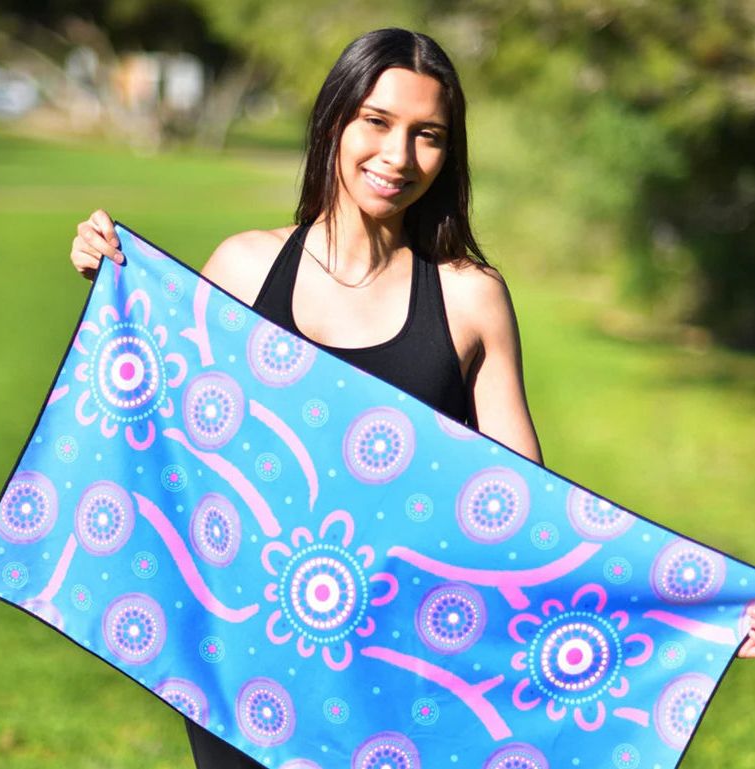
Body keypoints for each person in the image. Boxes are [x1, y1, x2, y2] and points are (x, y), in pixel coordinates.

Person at [68, 26, 754, 769]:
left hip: (403, 665)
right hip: (249, 667)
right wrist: (111, 285)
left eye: (427, 135)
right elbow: (162, 438)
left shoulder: (468, 299)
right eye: (377, 122)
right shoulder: (242, 268)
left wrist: (704, 603)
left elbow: (533, 517)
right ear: (333, 120)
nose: (398, 156)